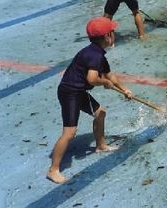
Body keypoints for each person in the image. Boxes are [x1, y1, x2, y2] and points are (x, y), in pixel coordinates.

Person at [47, 18, 133, 184]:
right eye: (113, 32)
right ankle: (53, 170)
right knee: (70, 132)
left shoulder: (98, 53)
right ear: (107, 36)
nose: (114, 35)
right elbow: (93, 78)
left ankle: (100, 146)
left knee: (100, 113)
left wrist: (125, 90)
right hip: (69, 92)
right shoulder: (94, 55)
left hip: (78, 91)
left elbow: (109, 75)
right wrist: (105, 84)